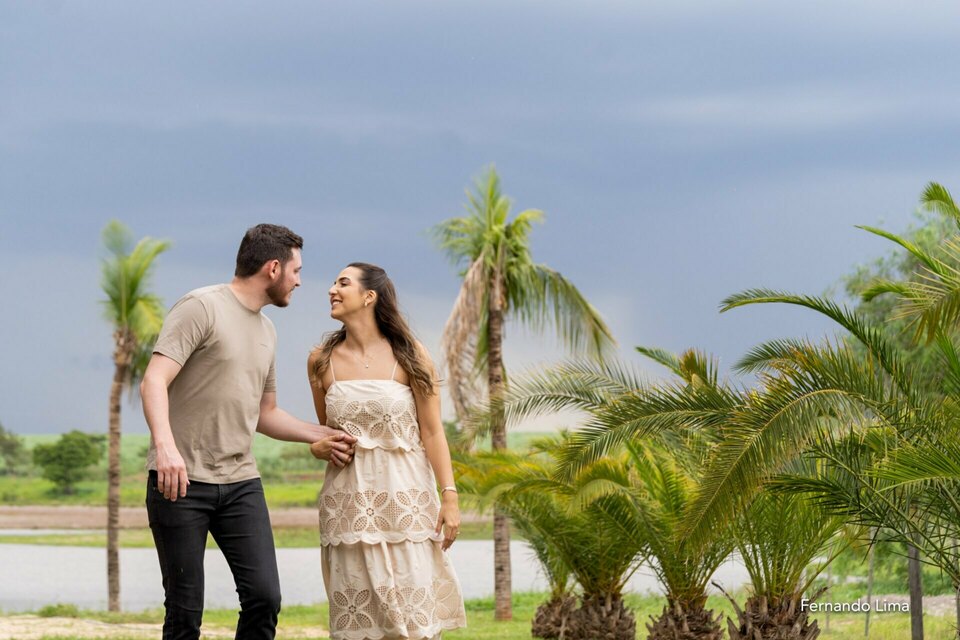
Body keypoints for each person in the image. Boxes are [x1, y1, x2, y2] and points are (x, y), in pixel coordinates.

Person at [140, 224, 357, 640]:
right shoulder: (200, 307)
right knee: (185, 611)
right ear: (273, 268)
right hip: (180, 482)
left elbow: (265, 412)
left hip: (240, 483)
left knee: (264, 598)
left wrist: (319, 434)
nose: (299, 280)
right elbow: (153, 381)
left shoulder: (267, 331)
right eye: (295, 270)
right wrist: (165, 449)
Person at [308, 262, 467, 640]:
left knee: (413, 624)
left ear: (369, 296)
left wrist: (449, 496)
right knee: (359, 626)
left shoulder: (411, 354)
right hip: (348, 508)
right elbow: (325, 434)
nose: (332, 289)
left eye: (342, 283)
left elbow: (432, 432)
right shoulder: (320, 360)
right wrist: (319, 447)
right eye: (332, 282)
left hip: (406, 506)